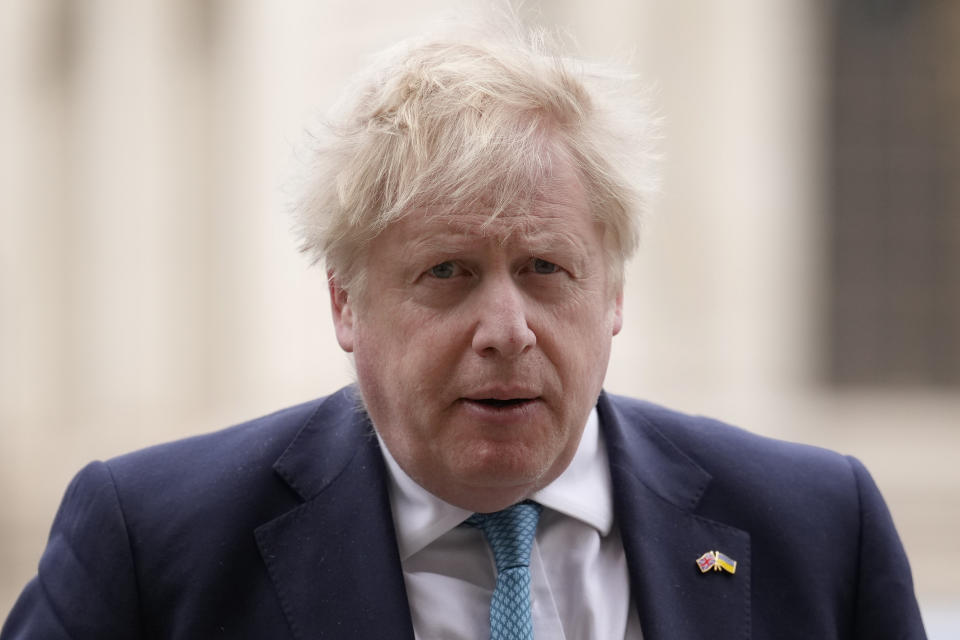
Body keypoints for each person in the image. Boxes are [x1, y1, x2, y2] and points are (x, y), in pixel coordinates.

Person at [2, 12, 925, 640]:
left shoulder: (815, 530)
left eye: (546, 270)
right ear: (344, 305)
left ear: (612, 296)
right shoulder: (154, 549)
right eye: (447, 273)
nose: (507, 329)